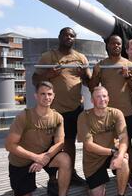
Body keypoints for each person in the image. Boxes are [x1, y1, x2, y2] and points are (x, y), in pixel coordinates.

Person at [5, 81, 76, 196]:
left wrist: (46, 157)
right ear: (36, 96)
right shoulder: (24, 116)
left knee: (65, 158)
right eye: (42, 94)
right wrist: (35, 157)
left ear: (54, 96)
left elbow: (59, 143)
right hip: (22, 160)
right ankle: (16, 190)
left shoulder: (57, 117)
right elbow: (9, 145)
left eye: (49, 94)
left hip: (44, 156)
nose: (46, 97)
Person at [32, 27, 90, 186]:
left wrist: (84, 75)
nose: (68, 37)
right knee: (51, 144)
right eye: (66, 35)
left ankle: (70, 173)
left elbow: (90, 82)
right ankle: (52, 178)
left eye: (72, 35)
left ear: (74, 38)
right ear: (59, 37)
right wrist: (48, 75)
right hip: (52, 110)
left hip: (74, 109)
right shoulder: (48, 57)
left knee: (69, 142)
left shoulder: (81, 58)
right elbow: (34, 80)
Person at [89, 35, 132, 189]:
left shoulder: (129, 64)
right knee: (108, 143)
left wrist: (127, 76)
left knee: (127, 144)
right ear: (108, 46)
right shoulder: (101, 66)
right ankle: (109, 172)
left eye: (118, 44)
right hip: (107, 114)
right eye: (113, 43)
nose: (116, 46)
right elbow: (92, 87)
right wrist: (92, 75)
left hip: (127, 113)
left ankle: (128, 174)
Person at [77, 86, 130, 196]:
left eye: (104, 96)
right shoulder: (84, 116)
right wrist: (113, 152)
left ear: (108, 98)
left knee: (123, 161)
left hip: (110, 155)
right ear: (92, 100)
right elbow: (89, 145)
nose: (102, 99)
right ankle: (90, 186)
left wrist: (120, 155)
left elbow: (124, 138)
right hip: (93, 160)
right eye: (98, 97)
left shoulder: (116, 113)